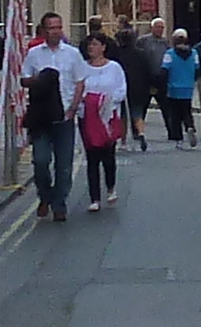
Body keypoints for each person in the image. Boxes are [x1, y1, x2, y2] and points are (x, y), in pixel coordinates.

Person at [17, 12, 85, 220]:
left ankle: (59, 203)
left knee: (64, 166)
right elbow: (23, 79)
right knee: (40, 160)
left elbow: (80, 82)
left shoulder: (72, 54)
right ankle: (44, 196)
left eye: (58, 27)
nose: (55, 31)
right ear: (44, 30)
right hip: (42, 118)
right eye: (51, 28)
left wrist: (73, 107)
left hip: (64, 117)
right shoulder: (35, 54)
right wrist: (38, 79)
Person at [75, 30, 130, 213]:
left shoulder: (114, 68)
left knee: (108, 156)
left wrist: (106, 101)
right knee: (92, 157)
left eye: (96, 44)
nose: (92, 48)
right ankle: (94, 198)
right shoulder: (82, 67)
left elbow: (122, 89)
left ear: (104, 47)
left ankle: (111, 187)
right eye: (90, 44)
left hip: (108, 116)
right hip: (88, 117)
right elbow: (78, 89)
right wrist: (86, 101)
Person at [118, 21, 165, 153]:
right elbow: (148, 69)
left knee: (123, 115)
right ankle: (141, 132)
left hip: (123, 86)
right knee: (137, 112)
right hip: (139, 87)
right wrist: (152, 84)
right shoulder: (141, 53)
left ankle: (123, 141)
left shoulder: (117, 54)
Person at [159, 23, 201, 143]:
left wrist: (162, 84)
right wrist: (192, 80)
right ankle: (189, 126)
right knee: (187, 110)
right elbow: (198, 69)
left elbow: (164, 70)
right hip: (188, 87)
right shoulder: (194, 53)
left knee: (175, 113)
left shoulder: (170, 54)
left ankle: (177, 136)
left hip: (173, 87)